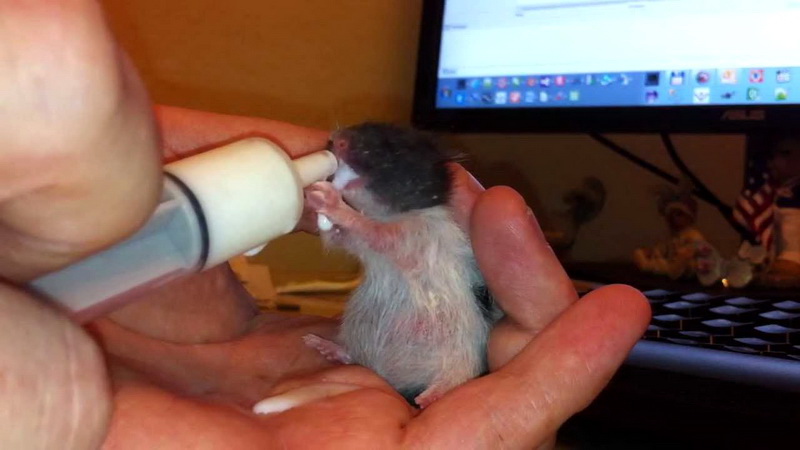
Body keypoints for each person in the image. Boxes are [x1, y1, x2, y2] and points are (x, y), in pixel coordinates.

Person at [0, 1, 650, 448]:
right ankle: (360, 358)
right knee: (363, 316)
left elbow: (398, 247)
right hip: (372, 333)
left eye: (358, 165)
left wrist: (341, 217)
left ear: (401, 182)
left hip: (436, 342)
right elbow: (362, 245)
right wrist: (338, 222)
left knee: (450, 341)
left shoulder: (435, 225)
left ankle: (443, 384)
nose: (340, 162)